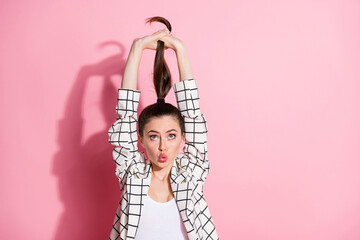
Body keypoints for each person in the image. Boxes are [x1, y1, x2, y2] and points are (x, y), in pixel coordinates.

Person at [108, 16, 219, 240]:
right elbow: (126, 115)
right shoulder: (132, 173)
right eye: (153, 136)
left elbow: (193, 115)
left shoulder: (191, 172)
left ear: (182, 138)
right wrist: (137, 48)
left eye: (171, 136)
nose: (162, 147)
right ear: (140, 139)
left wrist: (181, 50)